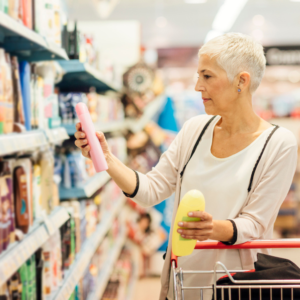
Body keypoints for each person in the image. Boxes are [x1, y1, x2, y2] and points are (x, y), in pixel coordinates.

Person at [74, 33, 298, 300]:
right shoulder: (195, 130)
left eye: (207, 76)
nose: (197, 87)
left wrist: (213, 228)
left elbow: (254, 224)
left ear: (241, 81)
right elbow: (151, 190)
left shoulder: (278, 143)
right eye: (198, 76)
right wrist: (107, 158)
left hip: (237, 286)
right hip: (183, 283)